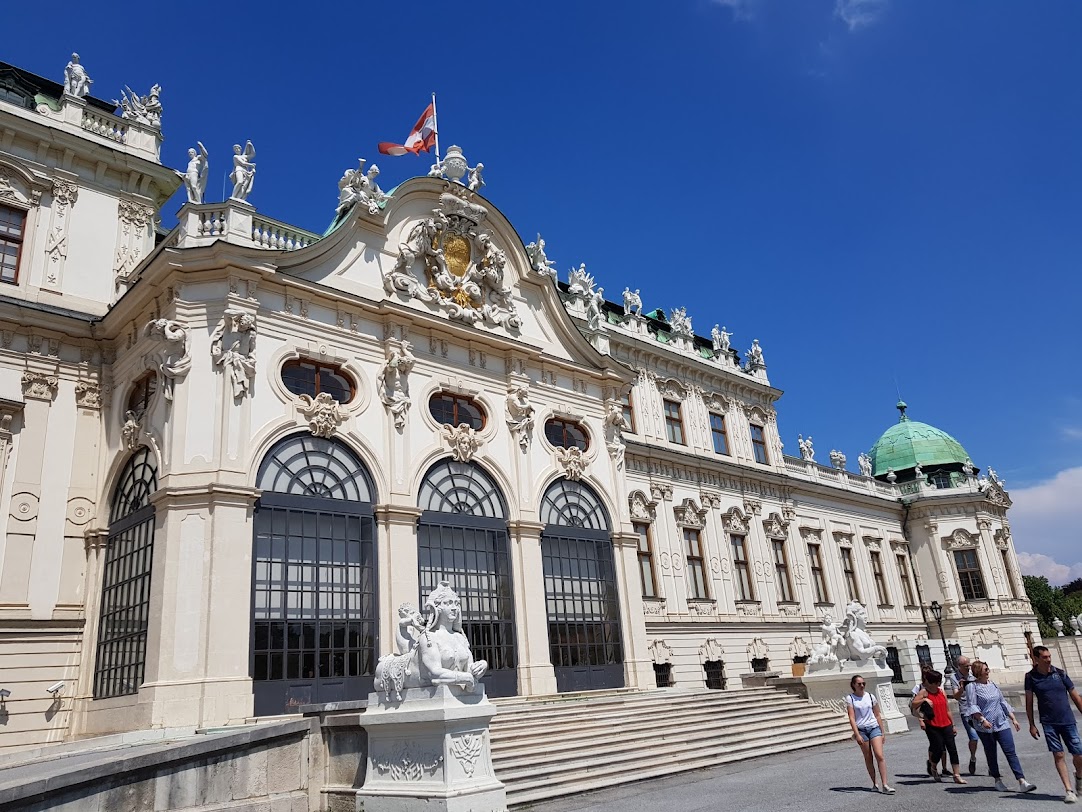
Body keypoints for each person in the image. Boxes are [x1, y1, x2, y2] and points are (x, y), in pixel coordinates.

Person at [962, 659, 1036, 793]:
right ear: (979, 672)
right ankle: (997, 780)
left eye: (988, 669)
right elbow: (972, 705)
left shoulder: (993, 684)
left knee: (1011, 752)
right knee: (991, 753)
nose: (988, 671)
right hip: (985, 726)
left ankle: (1022, 781)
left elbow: (1002, 701)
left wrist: (1013, 718)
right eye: (985, 670)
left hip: (1001, 722)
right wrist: (982, 719)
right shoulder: (972, 687)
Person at [1025, 645, 1082, 803]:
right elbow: (1029, 702)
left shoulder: (1060, 673)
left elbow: (1075, 695)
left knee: (1079, 754)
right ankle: (1068, 790)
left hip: (1068, 720)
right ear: (1036, 659)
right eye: (1044, 657)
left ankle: (1079, 776)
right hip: (1049, 722)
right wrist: (1031, 724)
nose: (1048, 659)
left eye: (1049, 656)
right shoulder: (1030, 677)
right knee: (1058, 754)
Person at [911, 669, 967, 784]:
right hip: (932, 724)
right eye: (937, 681)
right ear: (932, 682)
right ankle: (933, 766)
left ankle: (956, 775)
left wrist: (953, 725)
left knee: (952, 749)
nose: (939, 684)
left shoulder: (941, 692)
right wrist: (924, 699)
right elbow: (913, 703)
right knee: (938, 749)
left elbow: (947, 709)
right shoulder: (924, 692)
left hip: (946, 723)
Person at [845, 674, 894, 794]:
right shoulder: (850, 698)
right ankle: (874, 783)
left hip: (874, 727)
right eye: (859, 684)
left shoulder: (871, 696)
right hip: (861, 729)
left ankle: (885, 784)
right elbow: (851, 717)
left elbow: (877, 714)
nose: (862, 686)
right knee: (868, 757)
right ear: (853, 685)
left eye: (863, 683)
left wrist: (882, 732)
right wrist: (857, 734)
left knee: (879, 755)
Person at [912, 663, 950, 776]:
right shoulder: (919, 688)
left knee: (943, 745)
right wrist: (921, 721)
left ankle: (944, 767)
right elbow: (916, 707)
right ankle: (932, 763)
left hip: (941, 719)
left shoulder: (937, 687)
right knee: (935, 745)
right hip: (928, 719)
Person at [950, 656, 981, 774]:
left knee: (988, 737)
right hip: (966, 710)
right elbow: (956, 696)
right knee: (974, 737)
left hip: (978, 709)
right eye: (966, 666)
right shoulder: (954, 678)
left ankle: (991, 763)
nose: (968, 668)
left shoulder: (974, 674)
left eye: (969, 665)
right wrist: (961, 689)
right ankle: (973, 757)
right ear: (959, 666)